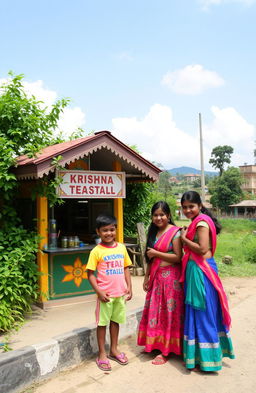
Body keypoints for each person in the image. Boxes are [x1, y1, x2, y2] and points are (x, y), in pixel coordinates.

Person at [180, 191, 235, 372]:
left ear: (200, 206)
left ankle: (208, 360)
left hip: (202, 271)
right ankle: (198, 357)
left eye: (191, 206)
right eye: (185, 207)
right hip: (196, 270)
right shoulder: (196, 222)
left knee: (203, 312)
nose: (188, 210)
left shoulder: (202, 223)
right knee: (197, 311)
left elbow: (202, 249)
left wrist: (183, 238)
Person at [137, 201, 184, 365]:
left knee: (168, 314)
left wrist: (157, 252)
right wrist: (146, 277)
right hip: (156, 279)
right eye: (155, 215)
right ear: (152, 216)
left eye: (162, 214)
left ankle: (166, 351)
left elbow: (178, 257)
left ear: (168, 216)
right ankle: (154, 344)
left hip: (171, 280)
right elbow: (150, 259)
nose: (159, 218)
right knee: (155, 313)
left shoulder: (175, 233)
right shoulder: (153, 233)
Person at [87, 214, 132, 371]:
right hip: (105, 296)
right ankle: (102, 354)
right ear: (98, 232)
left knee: (115, 322)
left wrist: (129, 287)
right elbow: (90, 274)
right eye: (105, 230)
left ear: (116, 230)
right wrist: (99, 292)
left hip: (120, 294)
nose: (109, 233)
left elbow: (126, 267)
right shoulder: (96, 251)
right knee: (102, 324)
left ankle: (114, 349)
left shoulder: (121, 248)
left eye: (112, 230)